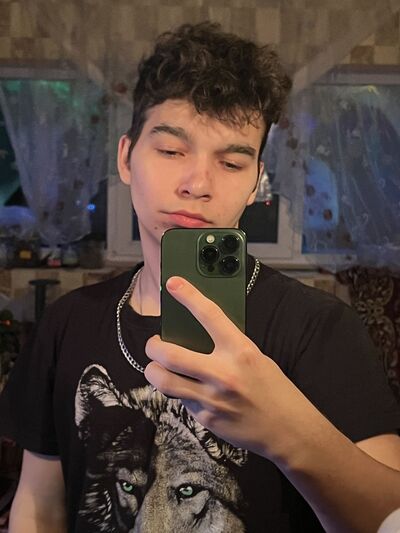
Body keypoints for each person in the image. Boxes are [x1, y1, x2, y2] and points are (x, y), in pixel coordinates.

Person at [0, 22, 399, 533]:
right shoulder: (66, 323)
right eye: (171, 151)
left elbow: (388, 515)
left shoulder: (321, 329)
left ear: (255, 184)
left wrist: (288, 433)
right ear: (126, 158)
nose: (197, 183)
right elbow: (39, 506)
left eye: (231, 162)